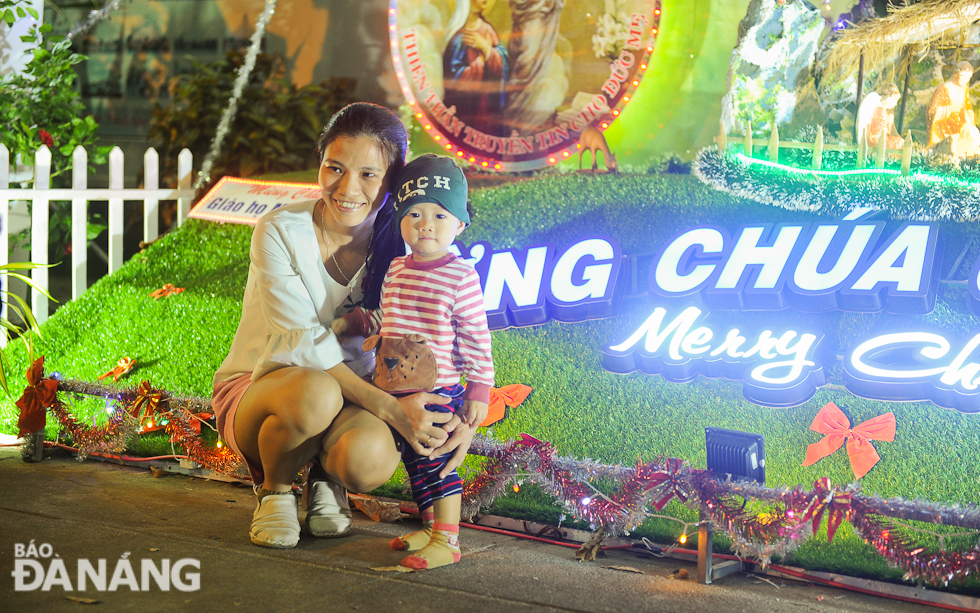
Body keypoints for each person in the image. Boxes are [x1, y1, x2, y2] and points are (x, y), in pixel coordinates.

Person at [212, 103, 473, 549]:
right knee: (317, 391)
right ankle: (274, 490)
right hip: (265, 390)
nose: (347, 188)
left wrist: (464, 409)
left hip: (357, 394)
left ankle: (324, 478)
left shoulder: (406, 244)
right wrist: (392, 410)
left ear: (393, 181)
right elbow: (307, 345)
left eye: (369, 175)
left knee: (369, 459)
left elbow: (448, 327)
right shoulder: (279, 231)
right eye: (335, 168)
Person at [333, 154, 494, 570]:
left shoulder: (461, 276)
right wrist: (357, 321)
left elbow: (477, 338)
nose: (426, 224)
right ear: (401, 220)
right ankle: (429, 524)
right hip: (394, 383)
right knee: (413, 460)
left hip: (438, 388)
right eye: (415, 214)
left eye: (440, 215)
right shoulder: (397, 269)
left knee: (436, 461)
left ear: (460, 224)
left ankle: (448, 540)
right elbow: (389, 316)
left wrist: (479, 389)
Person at [443, 0, 509, 136]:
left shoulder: (488, 30)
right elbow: (454, 78)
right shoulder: (459, 36)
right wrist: (481, 61)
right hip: (467, 109)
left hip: (489, 104)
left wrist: (486, 48)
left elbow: (504, 62)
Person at [927, 61, 980, 159]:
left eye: (968, 78)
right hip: (944, 125)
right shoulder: (943, 89)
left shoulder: (964, 90)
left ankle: (968, 158)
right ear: (956, 74)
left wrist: (969, 113)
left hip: (961, 124)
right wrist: (949, 110)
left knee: (973, 133)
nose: (965, 80)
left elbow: (967, 107)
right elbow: (932, 111)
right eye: (963, 76)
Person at [858, 83, 905, 150]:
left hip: (878, 139)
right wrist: (888, 122)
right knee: (900, 143)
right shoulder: (880, 110)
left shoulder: (881, 110)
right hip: (876, 141)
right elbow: (878, 132)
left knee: (899, 141)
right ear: (891, 97)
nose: (895, 104)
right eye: (895, 100)